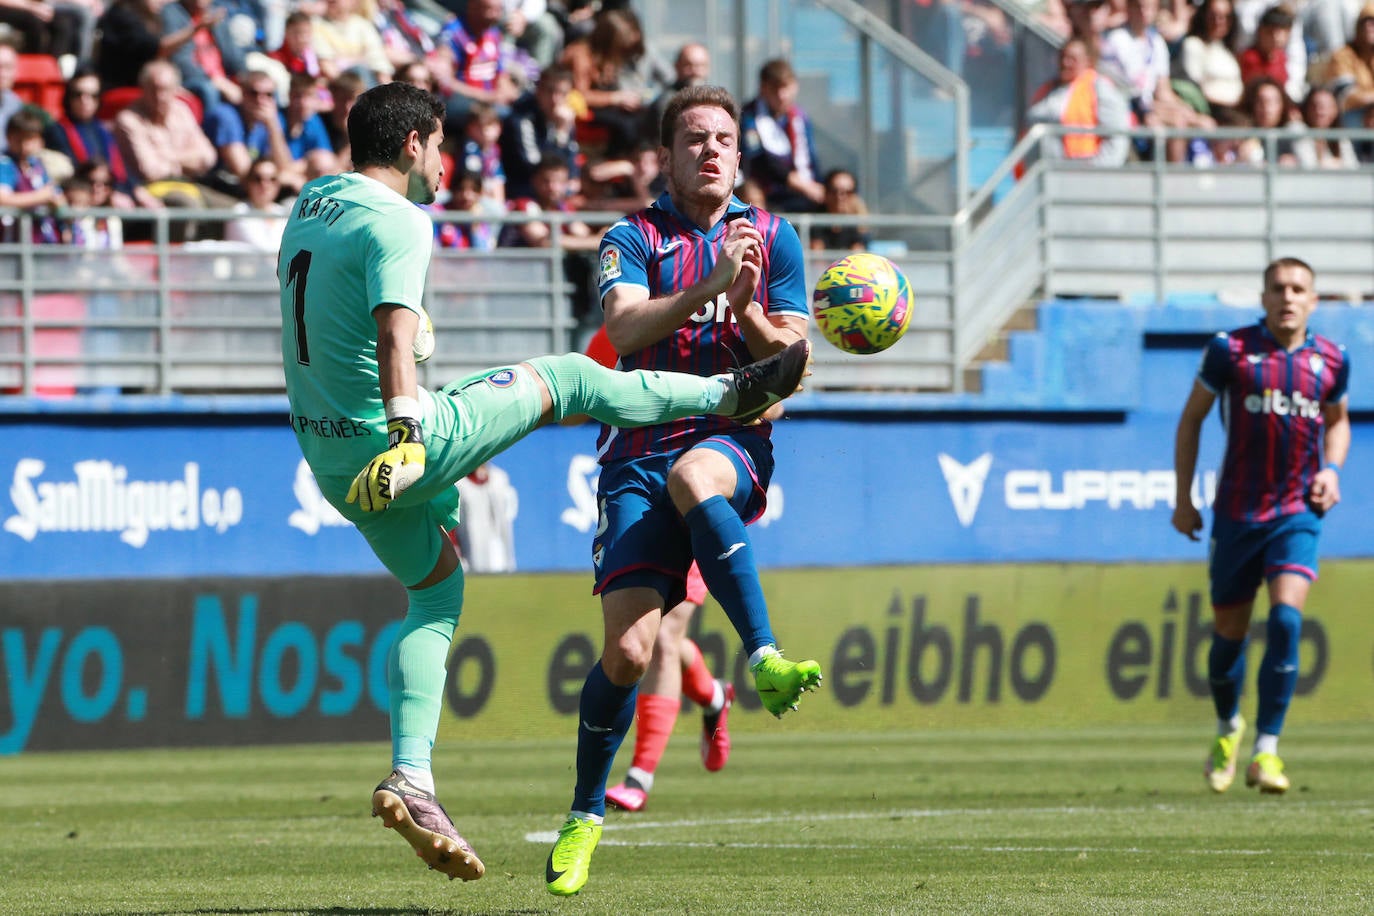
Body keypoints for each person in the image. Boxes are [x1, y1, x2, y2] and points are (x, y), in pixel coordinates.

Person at [276, 79, 812, 885]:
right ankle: (727, 398)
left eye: (722, 139)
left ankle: (413, 778)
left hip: (332, 461)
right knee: (565, 377)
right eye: (443, 144)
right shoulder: (403, 220)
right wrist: (409, 433)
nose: (448, 160)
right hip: (401, 441)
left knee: (436, 594)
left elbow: (351, 322)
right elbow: (394, 334)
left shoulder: (310, 204)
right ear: (416, 144)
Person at [543, 84, 822, 898]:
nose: (709, 150)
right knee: (629, 653)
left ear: (739, 156)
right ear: (664, 156)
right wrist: (709, 289)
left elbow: (790, 374)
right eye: (693, 138)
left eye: (723, 139)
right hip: (635, 446)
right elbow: (625, 331)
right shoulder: (630, 237)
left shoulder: (777, 237)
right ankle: (585, 816)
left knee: (697, 473)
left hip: (731, 439)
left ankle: (764, 655)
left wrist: (753, 316)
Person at [1171, 257, 1349, 797]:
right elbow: (1192, 418)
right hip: (1237, 512)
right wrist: (1183, 499)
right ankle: (1228, 729)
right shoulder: (1231, 350)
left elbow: (1338, 423)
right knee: (1228, 636)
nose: (1288, 297)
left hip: (1297, 509)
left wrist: (1332, 469)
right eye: (1278, 288)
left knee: (1288, 621)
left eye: (1299, 289)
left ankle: (1267, 751)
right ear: (1264, 297)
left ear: (1313, 301)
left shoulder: (1332, 360)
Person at [1025, 36, 1132, 166]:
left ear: (1087, 61)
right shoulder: (1047, 89)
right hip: (1045, 171)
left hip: (1081, 171)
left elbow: (1116, 137)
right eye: (1063, 57)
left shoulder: (1099, 87)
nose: (1066, 62)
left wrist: (1099, 169)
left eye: (1073, 59)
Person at [740, 57, 823, 212]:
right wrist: (799, 184)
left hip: (803, 192)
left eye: (786, 87)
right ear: (763, 88)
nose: (782, 95)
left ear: (795, 86)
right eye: (775, 89)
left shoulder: (800, 118)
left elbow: (811, 159)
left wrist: (821, 188)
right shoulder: (749, 117)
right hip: (768, 194)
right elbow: (758, 159)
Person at [810, 167, 871, 252]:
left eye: (848, 192)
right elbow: (816, 257)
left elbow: (857, 256)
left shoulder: (858, 224)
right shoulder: (814, 222)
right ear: (826, 192)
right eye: (834, 191)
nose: (840, 197)